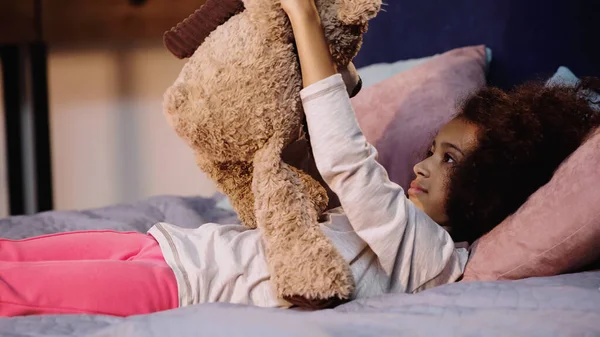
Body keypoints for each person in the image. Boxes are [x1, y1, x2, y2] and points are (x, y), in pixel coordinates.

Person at [1, 0, 598, 317]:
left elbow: (347, 164)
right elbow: (320, 173)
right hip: (177, 246)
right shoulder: (395, 224)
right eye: (430, 150)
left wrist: (305, 18)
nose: (421, 165)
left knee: (14, 287)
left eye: (450, 160)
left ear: (492, 192)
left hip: (181, 286)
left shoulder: (432, 258)